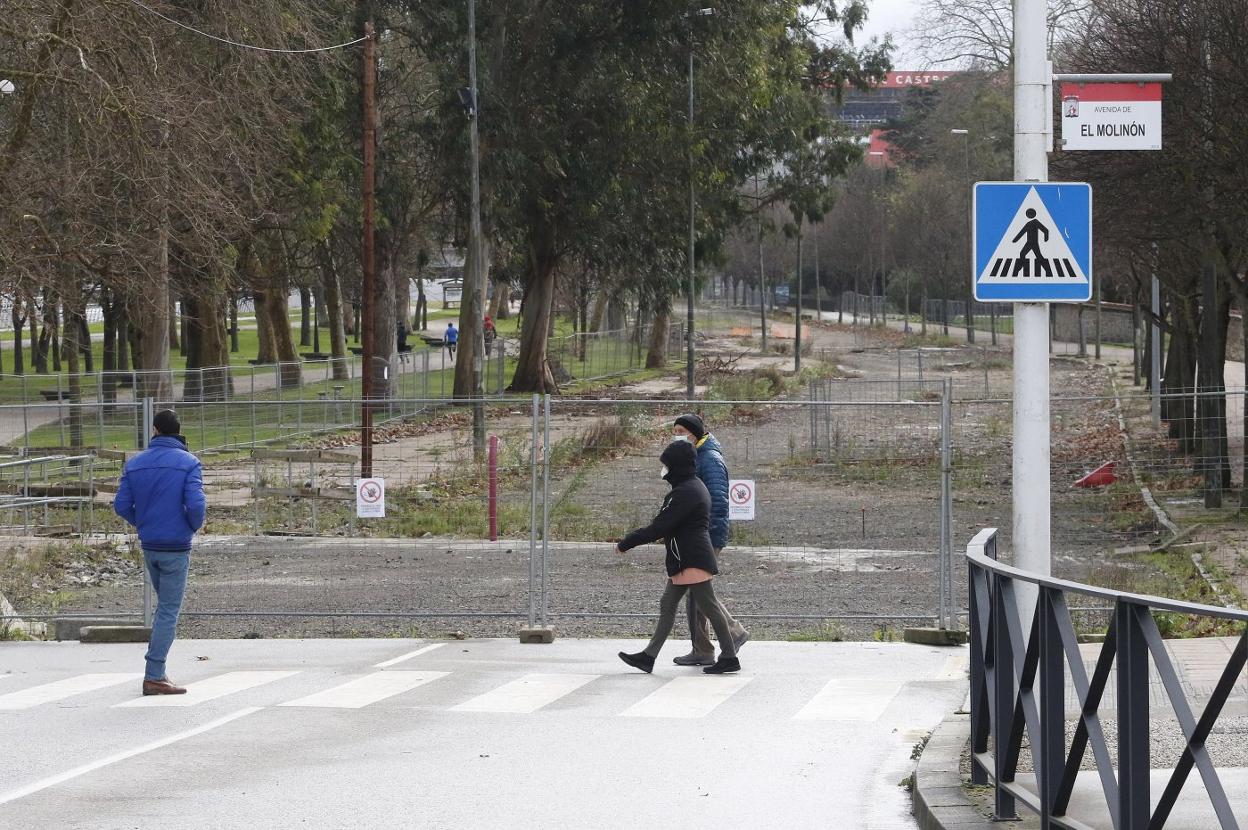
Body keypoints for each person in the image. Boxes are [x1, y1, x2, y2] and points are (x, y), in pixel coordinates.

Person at [615, 440, 741, 675]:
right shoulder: (691, 487)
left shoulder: (685, 492)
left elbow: (659, 527)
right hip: (685, 558)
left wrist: (627, 542)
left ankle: (729, 656)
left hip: (691, 558)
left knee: (709, 607)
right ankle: (648, 656)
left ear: (677, 465)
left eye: (667, 464)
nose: (664, 469)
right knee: (669, 604)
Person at [113, 410, 206, 696]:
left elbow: (121, 505)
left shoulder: (135, 463)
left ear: (155, 430)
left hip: (150, 544)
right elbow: (197, 506)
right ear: (179, 431)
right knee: (167, 610)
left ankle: (155, 672)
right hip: (176, 546)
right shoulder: (189, 463)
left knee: (162, 607)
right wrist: (188, 527)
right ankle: (154, 674)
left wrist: (143, 523)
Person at [670, 413, 749, 666]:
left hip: (705, 534)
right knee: (696, 591)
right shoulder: (695, 456)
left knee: (698, 590)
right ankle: (703, 648)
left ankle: (732, 633)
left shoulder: (709, 459)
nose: (676, 435)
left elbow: (716, 502)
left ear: (694, 432)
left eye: (681, 430)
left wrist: (702, 534)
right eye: (674, 431)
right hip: (696, 533)